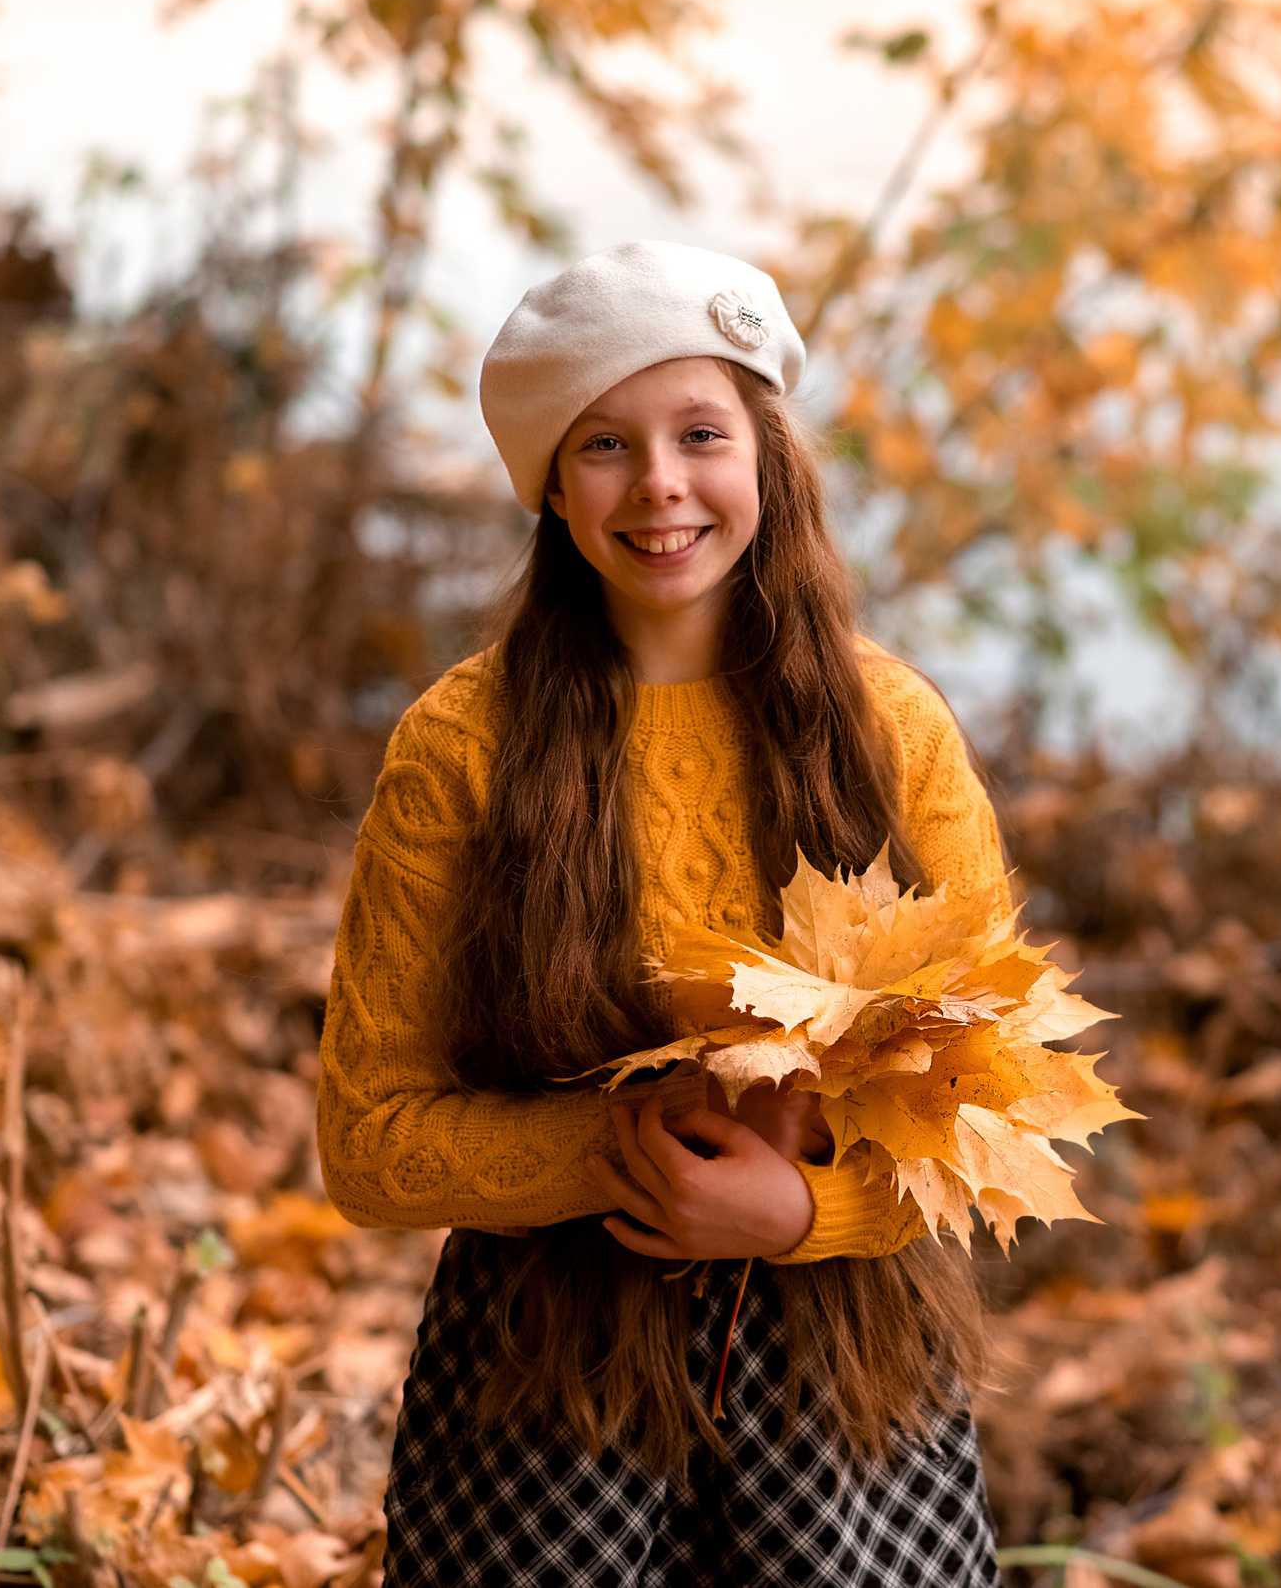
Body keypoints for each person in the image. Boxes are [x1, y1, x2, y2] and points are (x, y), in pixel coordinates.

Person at [315, 241, 1008, 1585]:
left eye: (701, 432)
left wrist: (799, 1214)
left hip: (846, 1381)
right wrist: (627, 1159)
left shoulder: (893, 732)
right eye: (603, 446)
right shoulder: (461, 747)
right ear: (551, 492)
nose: (661, 486)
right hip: (547, 1385)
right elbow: (370, 1140)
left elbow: (988, 1102)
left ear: (768, 457)